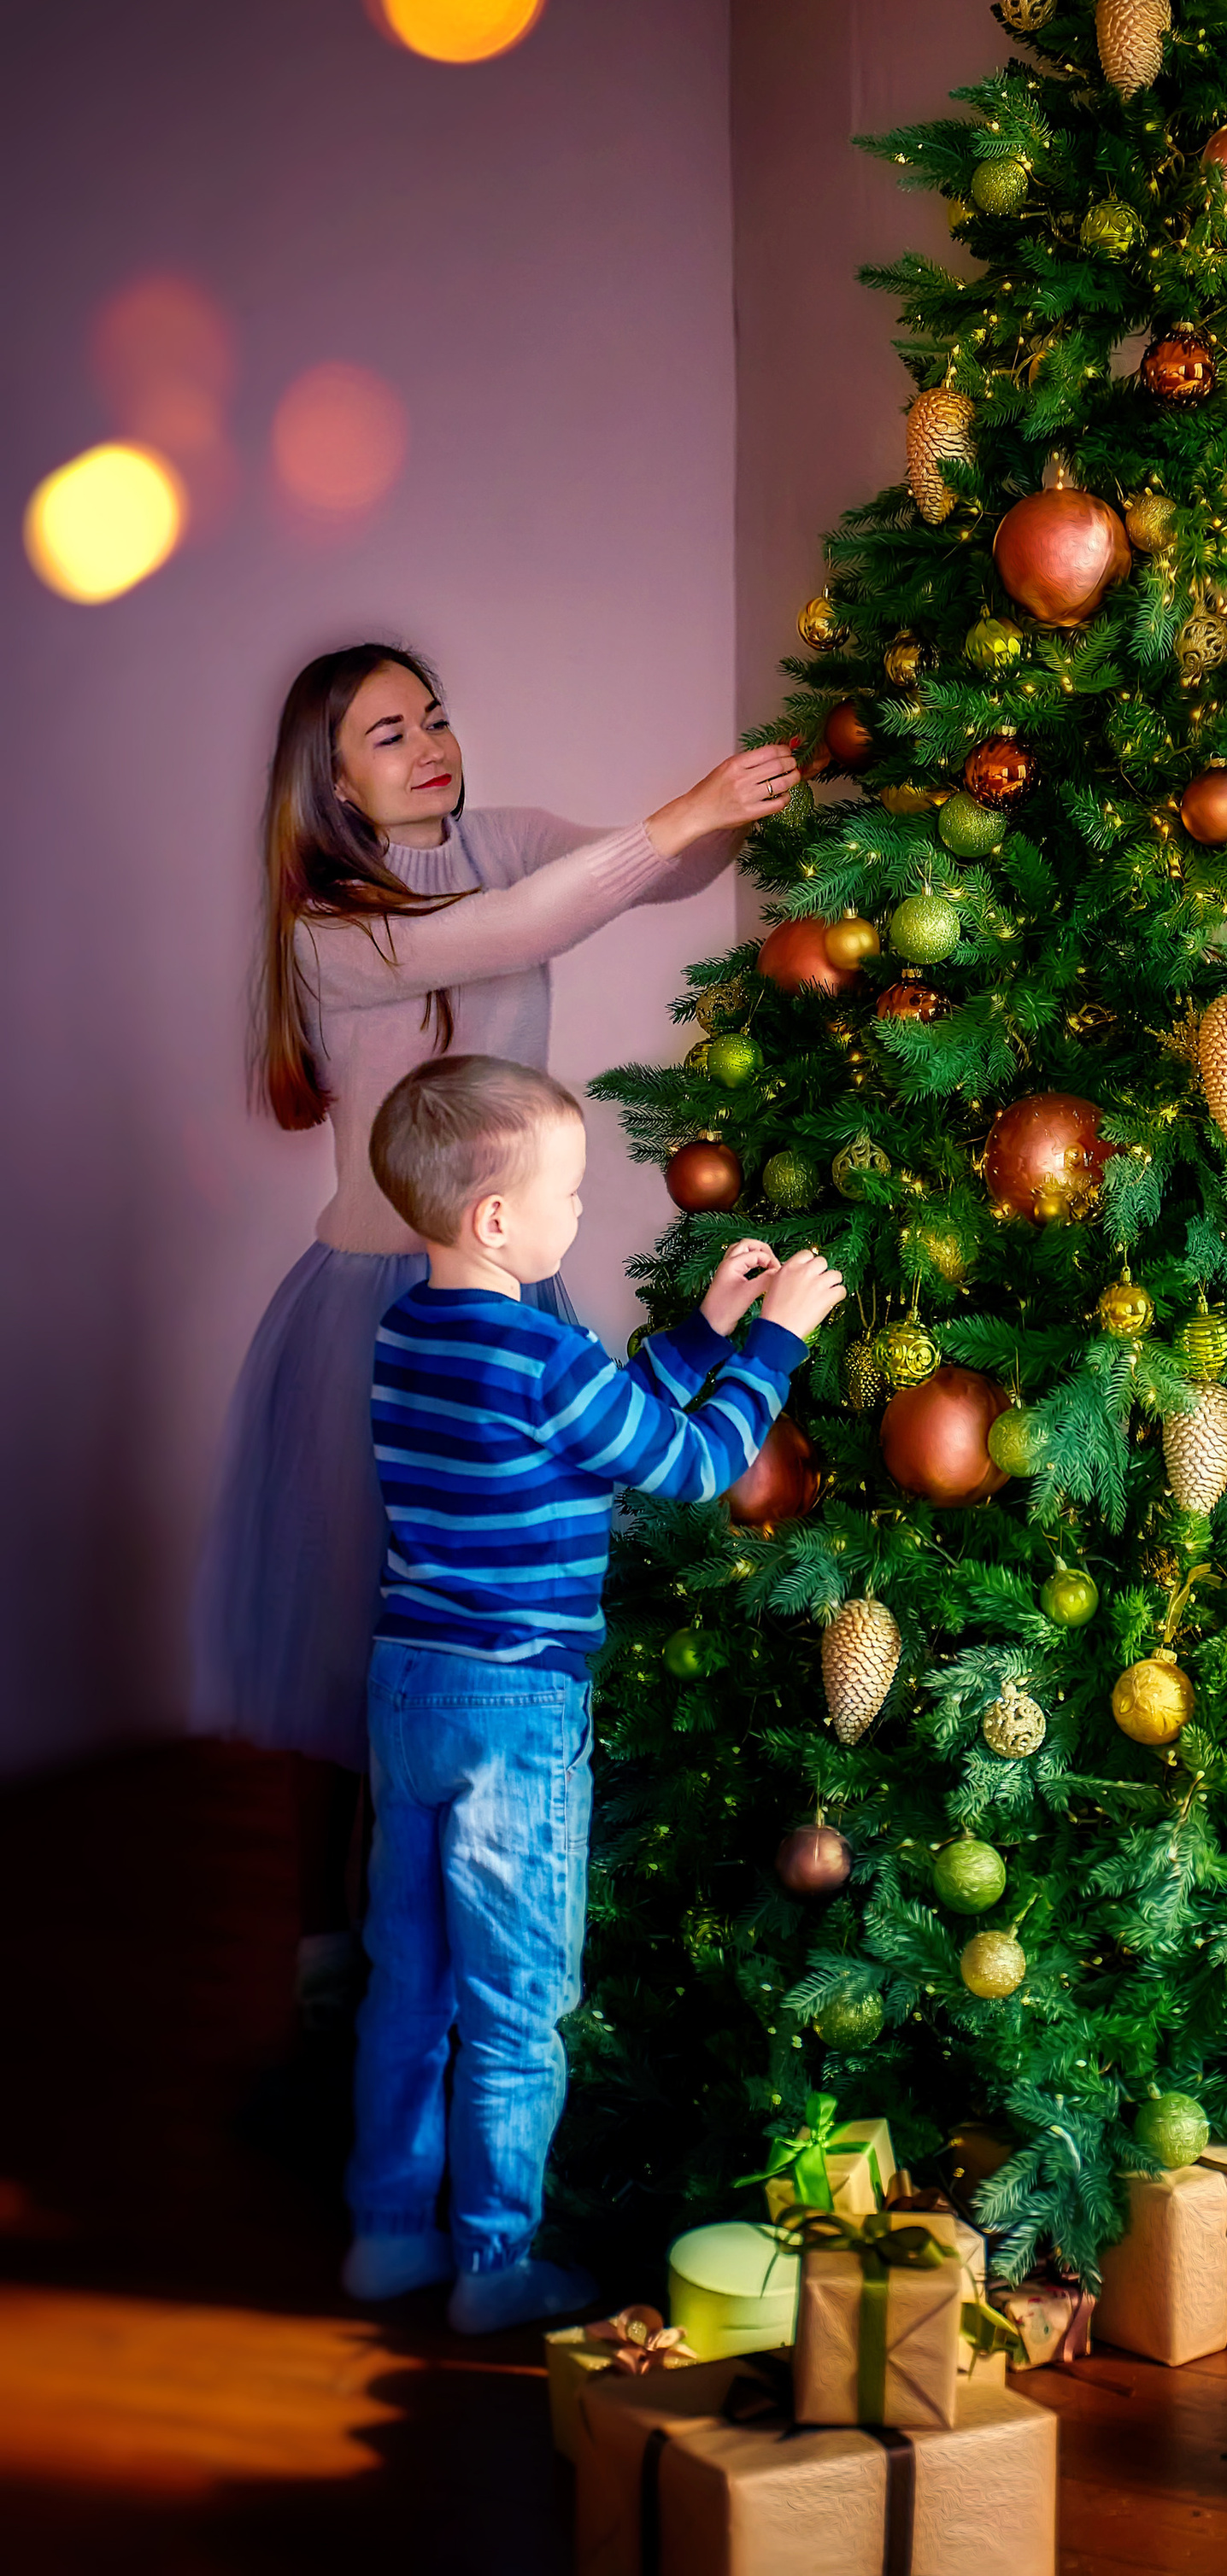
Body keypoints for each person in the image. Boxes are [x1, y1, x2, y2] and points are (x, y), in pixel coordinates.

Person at [191, 641, 804, 2018]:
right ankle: (326, 1947)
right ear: (327, 784)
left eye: (436, 718)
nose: (431, 748)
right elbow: (518, 929)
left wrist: (739, 806)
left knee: (505, 1606)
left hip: (510, 1289)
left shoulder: (503, 840)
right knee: (346, 1625)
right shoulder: (329, 930)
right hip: (370, 1309)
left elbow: (654, 873)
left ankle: (499, 1916)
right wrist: (684, 814)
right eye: (389, 735)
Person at [344, 1052, 846, 2329]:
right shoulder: (540, 1354)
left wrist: (705, 1330)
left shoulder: (409, 1337)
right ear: (494, 1219)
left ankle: (388, 2236)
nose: (578, 1212)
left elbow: (590, 1433)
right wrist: (775, 1345)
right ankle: (494, 2267)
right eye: (565, 1193)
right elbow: (685, 1464)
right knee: (517, 1999)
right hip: (516, 1708)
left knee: (409, 1981)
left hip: (409, 1688)